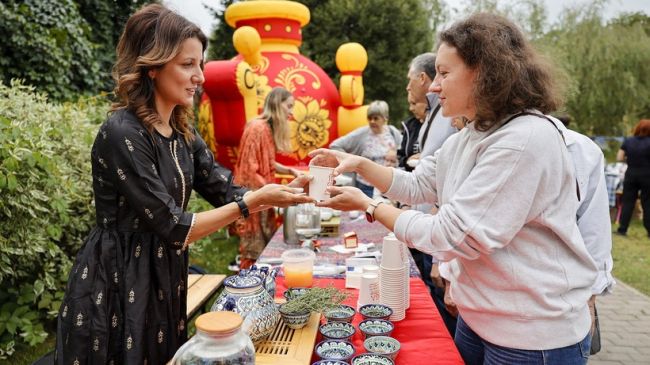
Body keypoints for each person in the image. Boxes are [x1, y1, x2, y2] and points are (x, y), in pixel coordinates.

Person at [311, 12, 596, 364]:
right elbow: (417, 184)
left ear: (486, 73)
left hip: (531, 334)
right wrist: (357, 164)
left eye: (444, 73)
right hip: (481, 319)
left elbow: (451, 234)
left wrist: (368, 206)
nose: (433, 86)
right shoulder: (474, 134)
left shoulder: (523, 139)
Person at [55, 5, 313, 364]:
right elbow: (174, 226)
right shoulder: (122, 134)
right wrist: (249, 205)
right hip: (117, 278)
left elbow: (226, 187)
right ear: (153, 66)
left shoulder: (182, 133)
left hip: (165, 273)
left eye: (200, 64)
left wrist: (288, 192)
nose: (201, 76)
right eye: (188, 64)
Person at [234, 87, 300, 269]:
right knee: (253, 252)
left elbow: (268, 162)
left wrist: (290, 171)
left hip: (263, 197)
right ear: (277, 105)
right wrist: (271, 195)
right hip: (253, 199)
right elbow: (248, 171)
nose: (291, 112)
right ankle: (245, 289)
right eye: (289, 106)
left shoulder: (267, 128)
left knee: (265, 251)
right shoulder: (257, 127)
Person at [329, 100, 402, 198]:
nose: (372, 121)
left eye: (376, 118)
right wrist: (351, 161)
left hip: (389, 185)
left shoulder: (393, 132)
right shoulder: (362, 133)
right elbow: (335, 145)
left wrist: (396, 153)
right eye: (370, 118)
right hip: (366, 187)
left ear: (385, 118)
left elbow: (403, 152)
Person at [616, 119, 650, 237]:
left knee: (628, 202)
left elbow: (619, 157)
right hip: (647, 175)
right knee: (647, 203)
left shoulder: (629, 141)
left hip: (631, 174)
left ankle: (622, 229)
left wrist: (630, 159)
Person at [397, 96, 427, 172]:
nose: (411, 108)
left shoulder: (443, 125)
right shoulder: (409, 126)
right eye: (410, 104)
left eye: (414, 103)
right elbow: (399, 156)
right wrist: (407, 161)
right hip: (411, 177)